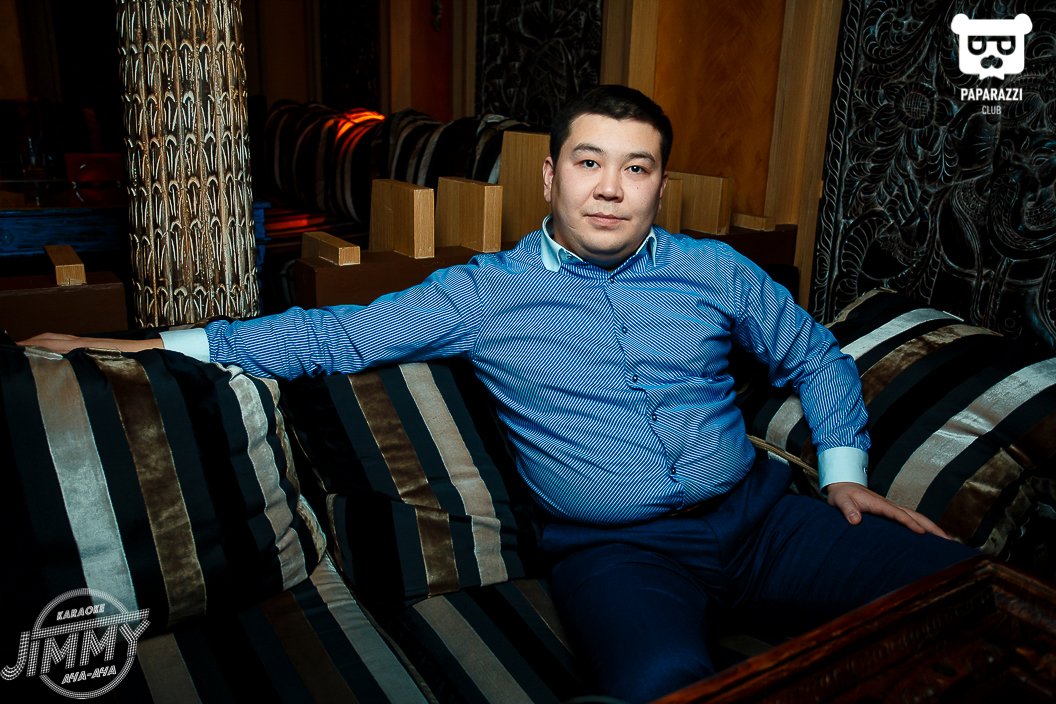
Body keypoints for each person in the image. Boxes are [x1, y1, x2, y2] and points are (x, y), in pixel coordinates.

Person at [23, 85, 974, 703]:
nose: (611, 189)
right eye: (589, 162)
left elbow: (814, 354)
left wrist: (843, 473)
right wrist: (131, 343)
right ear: (551, 176)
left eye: (635, 168)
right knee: (666, 689)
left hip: (763, 517)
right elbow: (326, 336)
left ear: (659, 185)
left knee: (966, 589)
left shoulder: (715, 270)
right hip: (620, 553)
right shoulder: (484, 294)